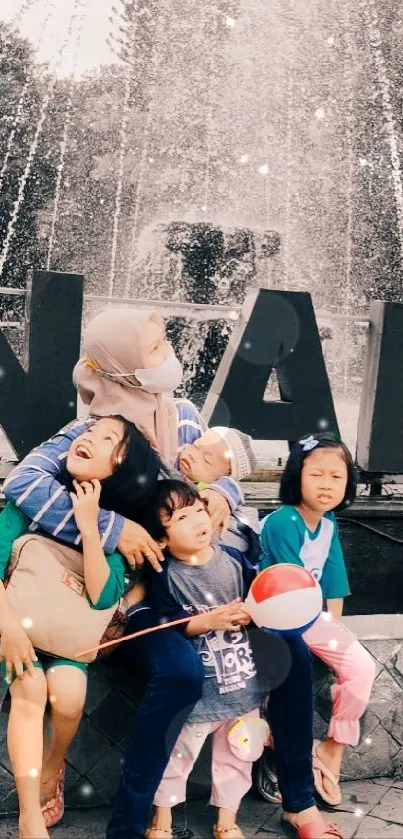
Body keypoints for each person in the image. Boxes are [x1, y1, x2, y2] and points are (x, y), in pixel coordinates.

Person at [4, 308, 343, 839]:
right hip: (146, 598)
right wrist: (116, 528)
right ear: (121, 368)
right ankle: (131, 822)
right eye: (156, 348)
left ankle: (299, 800)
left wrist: (221, 501)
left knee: (291, 654)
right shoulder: (90, 430)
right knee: (180, 674)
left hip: (213, 579)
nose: (170, 355)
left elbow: (219, 466)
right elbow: (22, 483)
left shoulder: (180, 412)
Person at [0, 416, 162, 839]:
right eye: (89, 432)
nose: (87, 437)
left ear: (123, 467)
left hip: (66, 638)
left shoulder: (112, 523)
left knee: (70, 697)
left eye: (107, 438)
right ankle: (29, 815)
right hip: (15, 624)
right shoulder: (33, 500)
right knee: (30, 688)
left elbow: (104, 597)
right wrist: (11, 631)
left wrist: (92, 528)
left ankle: (53, 770)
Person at [139, 478, 267, 839]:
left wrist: (251, 613)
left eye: (199, 509)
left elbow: (259, 598)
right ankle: (161, 817)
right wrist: (206, 622)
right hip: (200, 691)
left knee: (239, 756)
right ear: (161, 539)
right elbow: (164, 620)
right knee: (177, 754)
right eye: (181, 517)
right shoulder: (166, 575)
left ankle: (227, 818)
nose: (198, 521)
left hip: (243, 683)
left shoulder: (233, 561)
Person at [260, 433, 376, 807]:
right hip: (275, 616)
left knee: (360, 666)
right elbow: (290, 584)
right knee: (283, 678)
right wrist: (319, 631)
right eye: (317, 475)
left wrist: (334, 630)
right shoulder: (282, 522)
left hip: (309, 616)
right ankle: (274, 752)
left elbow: (334, 580)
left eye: (336, 477)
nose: (327, 485)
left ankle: (332, 749)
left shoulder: (329, 526)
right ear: (297, 476)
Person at [178, 425, 261, 563]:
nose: (193, 455)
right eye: (195, 445)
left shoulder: (210, 496)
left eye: (207, 460)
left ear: (225, 475)